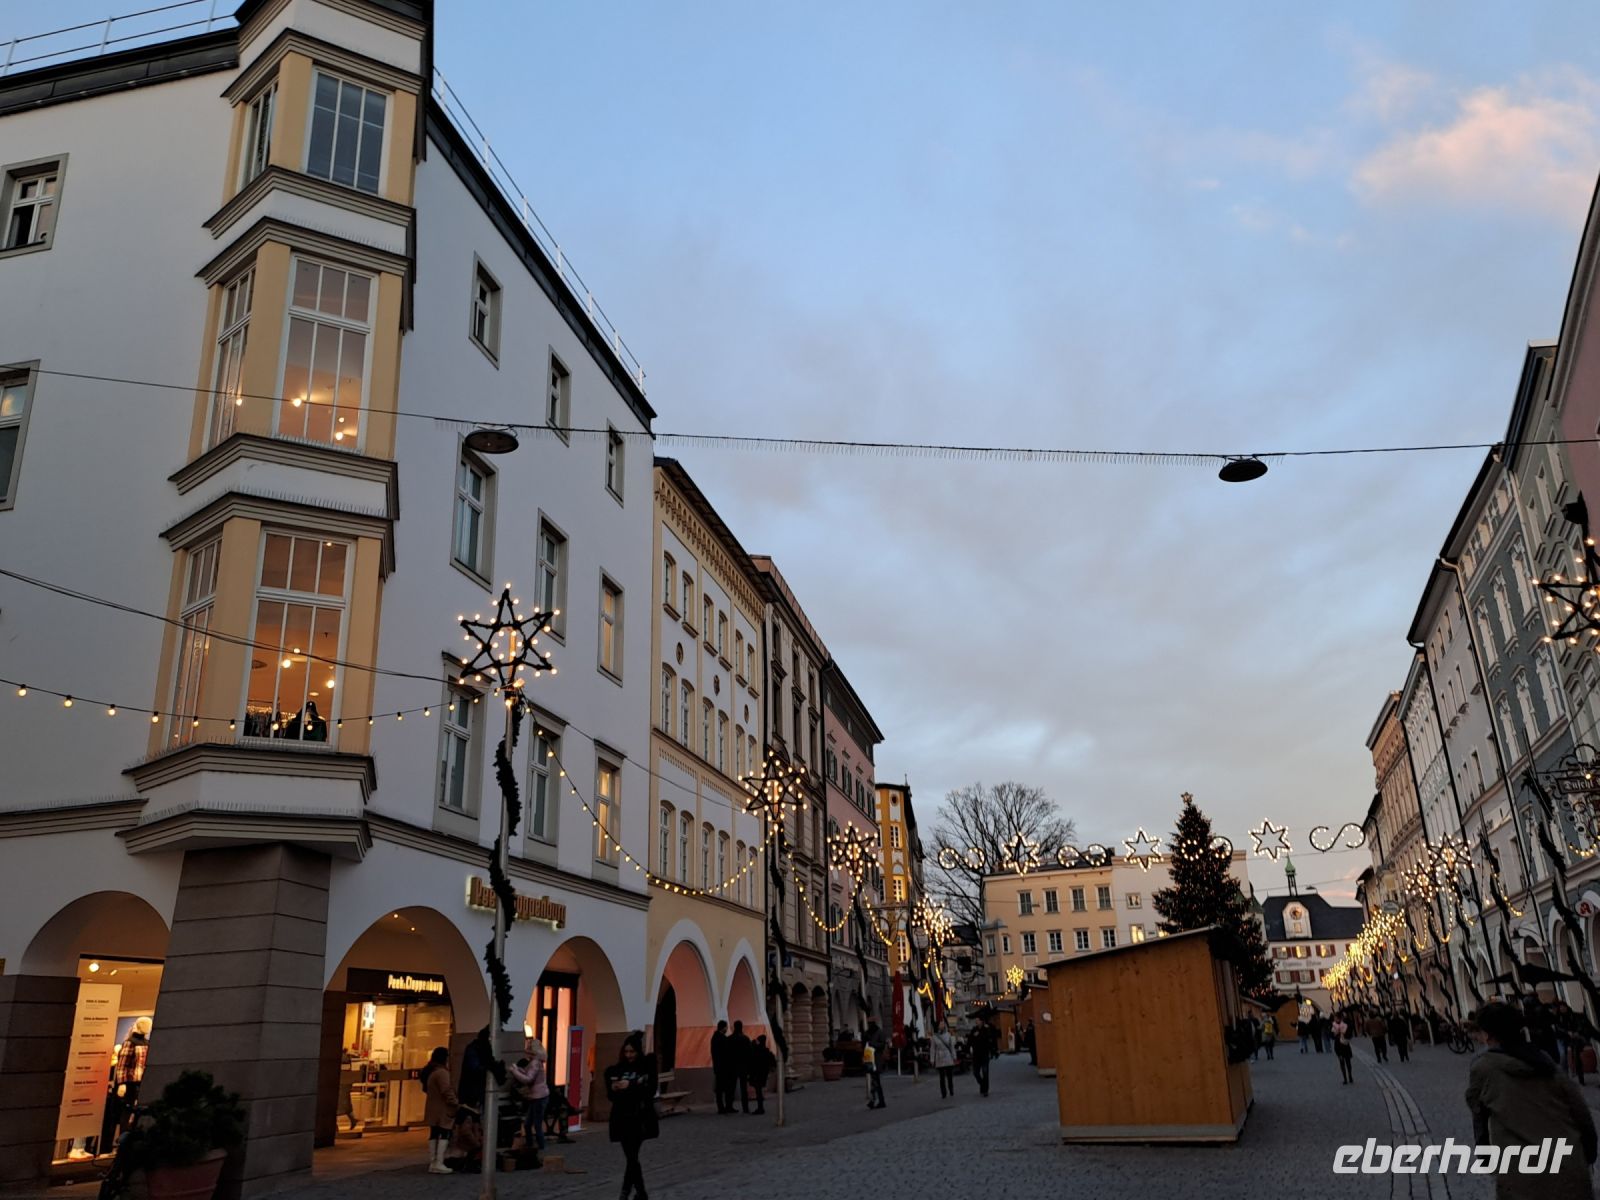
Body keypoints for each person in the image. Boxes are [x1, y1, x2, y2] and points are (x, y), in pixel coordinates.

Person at [1466, 1001, 1597, 1200]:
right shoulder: (1544, 1061)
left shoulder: (1484, 1068)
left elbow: (1479, 1117)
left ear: (1487, 1034)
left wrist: (1486, 1159)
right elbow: (1580, 1112)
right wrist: (1587, 1154)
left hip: (1522, 1178)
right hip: (1569, 1169)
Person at [605, 1032, 659, 1200]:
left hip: (639, 1117)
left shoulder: (645, 1068)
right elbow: (611, 1095)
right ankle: (639, 1192)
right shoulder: (617, 1069)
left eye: (632, 1052)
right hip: (621, 1117)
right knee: (631, 1157)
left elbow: (649, 1091)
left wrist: (631, 1085)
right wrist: (615, 1088)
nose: (629, 1055)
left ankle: (628, 1192)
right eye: (626, 1052)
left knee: (632, 1156)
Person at [507, 1038, 549, 1162]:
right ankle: (532, 1146)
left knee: (535, 1124)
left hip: (538, 1096)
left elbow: (528, 1079)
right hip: (537, 1096)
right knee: (529, 1124)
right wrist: (519, 1070)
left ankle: (539, 1148)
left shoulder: (535, 1062)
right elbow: (527, 1073)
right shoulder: (536, 1062)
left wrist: (515, 1071)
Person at [421, 1047, 459, 1175]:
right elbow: (446, 1090)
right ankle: (439, 1162)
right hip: (443, 1108)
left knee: (434, 1133)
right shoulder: (442, 1073)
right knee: (444, 1132)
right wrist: (455, 1102)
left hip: (433, 1107)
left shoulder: (431, 1071)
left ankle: (433, 1161)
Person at [747, 1034, 776, 1115]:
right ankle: (760, 1107)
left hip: (756, 1074)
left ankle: (760, 1108)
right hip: (763, 1074)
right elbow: (773, 1063)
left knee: (758, 1092)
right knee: (759, 1091)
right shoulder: (766, 1051)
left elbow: (752, 1059)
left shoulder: (757, 1050)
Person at [710, 1020, 734, 1114]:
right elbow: (726, 1053)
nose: (727, 1029)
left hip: (719, 1067)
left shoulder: (715, 1037)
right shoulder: (721, 1038)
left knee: (721, 1088)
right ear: (723, 1027)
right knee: (723, 1088)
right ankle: (723, 1107)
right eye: (726, 1027)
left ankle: (723, 1107)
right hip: (723, 1067)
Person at [729, 1020, 752, 1114]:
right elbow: (750, 1053)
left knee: (731, 1087)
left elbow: (727, 1054)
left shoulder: (730, 1039)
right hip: (743, 1066)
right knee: (743, 1088)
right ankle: (745, 1108)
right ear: (741, 1027)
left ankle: (729, 1106)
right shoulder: (745, 1039)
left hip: (733, 1066)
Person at [930, 1020, 958, 1098]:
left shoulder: (948, 1035)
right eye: (941, 1024)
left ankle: (951, 1089)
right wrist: (932, 1059)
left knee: (949, 1076)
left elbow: (951, 1046)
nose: (943, 1025)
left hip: (948, 1056)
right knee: (941, 1077)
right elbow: (932, 1049)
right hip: (939, 1057)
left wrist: (954, 1056)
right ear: (938, 1026)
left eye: (943, 1024)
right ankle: (943, 1092)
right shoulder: (934, 1037)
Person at [863, 1021, 886, 1109]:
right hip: (870, 1060)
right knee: (875, 1081)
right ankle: (878, 1101)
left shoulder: (879, 1032)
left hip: (876, 1060)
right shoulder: (868, 1033)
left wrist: (873, 1044)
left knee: (876, 1081)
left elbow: (882, 1045)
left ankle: (877, 1101)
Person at [970, 1018, 996, 1097]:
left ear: (981, 1021)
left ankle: (985, 1090)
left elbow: (990, 1040)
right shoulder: (974, 1030)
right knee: (976, 1073)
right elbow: (970, 1040)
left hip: (984, 1054)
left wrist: (993, 1051)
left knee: (985, 1072)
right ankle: (982, 1084)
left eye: (978, 1020)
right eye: (976, 1020)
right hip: (976, 1055)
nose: (976, 1021)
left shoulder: (986, 1029)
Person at [1331, 1012, 1354, 1084]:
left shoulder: (1345, 1024)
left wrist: (1342, 1033)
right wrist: (1335, 1034)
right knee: (1342, 1062)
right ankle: (1345, 1078)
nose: (1334, 1019)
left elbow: (1349, 1034)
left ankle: (1350, 1076)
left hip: (1344, 1045)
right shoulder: (1334, 1025)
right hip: (1338, 1046)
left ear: (1339, 1018)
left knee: (1348, 1062)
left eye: (1335, 1017)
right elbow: (1332, 1036)